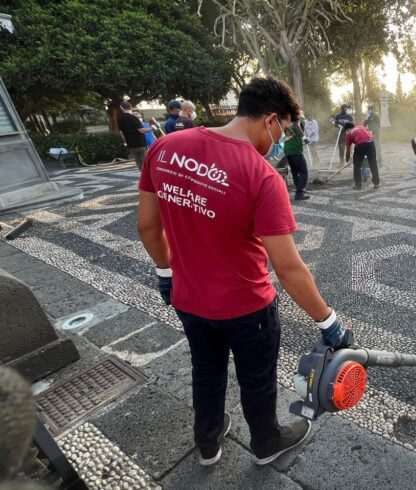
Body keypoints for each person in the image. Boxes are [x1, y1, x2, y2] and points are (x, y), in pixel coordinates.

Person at [136, 76, 351, 468]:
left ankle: (208, 442)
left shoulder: (165, 149)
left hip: (189, 299)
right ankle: (266, 443)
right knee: (256, 380)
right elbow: (287, 267)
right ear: (270, 119)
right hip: (247, 308)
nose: (280, 140)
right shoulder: (262, 177)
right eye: (283, 130)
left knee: (206, 371)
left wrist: (166, 274)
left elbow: (148, 227)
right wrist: (328, 320)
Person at [116, 101, 153, 170]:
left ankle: (143, 178)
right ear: (131, 108)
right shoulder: (134, 118)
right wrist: (152, 128)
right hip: (141, 145)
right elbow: (141, 130)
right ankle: (148, 179)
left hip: (131, 146)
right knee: (146, 164)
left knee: (139, 165)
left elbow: (121, 133)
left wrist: (126, 142)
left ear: (121, 108)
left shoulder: (119, 119)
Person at [343, 122, 380, 190]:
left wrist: (347, 160)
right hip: (371, 143)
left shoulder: (348, 133)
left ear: (347, 129)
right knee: (373, 163)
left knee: (357, 165)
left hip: (360, 145)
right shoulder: (361, 126)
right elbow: (370, 134)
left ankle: (358, 185)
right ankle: (376, 183)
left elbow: (348, 149)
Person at [282, 114, 310, 200]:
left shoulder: (287, 125)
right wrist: (307, 139)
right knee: (303, 171)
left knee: (294, 171)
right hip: (295, 150)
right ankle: (299, 192)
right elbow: (303, 136)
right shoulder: (295, 124)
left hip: (287, 150)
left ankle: (299, 190)